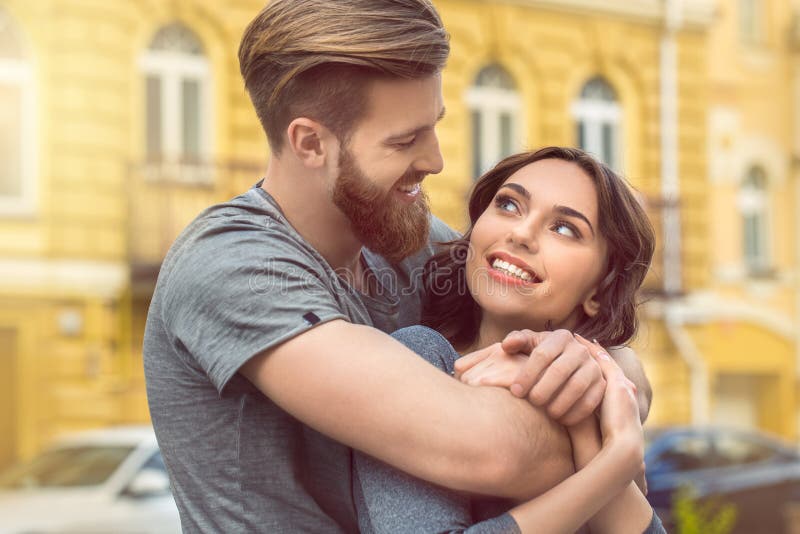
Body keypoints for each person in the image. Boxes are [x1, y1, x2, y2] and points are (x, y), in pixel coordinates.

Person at [143, 1, 653, 532]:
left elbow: (558, 308)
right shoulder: (231, 266)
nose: (435, 160)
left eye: (433, 127)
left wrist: (610, 369)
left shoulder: (405, 237)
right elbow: (494, 454)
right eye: (405, 140)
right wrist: (610, 425)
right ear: (311, 143)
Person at [353, 147, 664, 533]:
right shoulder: (418, 361)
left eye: (564, 228)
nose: (520, 234)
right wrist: (612, 466)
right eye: (509, 205)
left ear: (599, 290)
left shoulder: (604, 393)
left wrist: (588, 422)